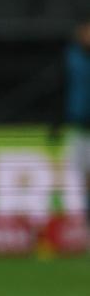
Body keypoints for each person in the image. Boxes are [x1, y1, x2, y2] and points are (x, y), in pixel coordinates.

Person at [50, 19, 90, 236]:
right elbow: (60, 89)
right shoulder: (69, 58)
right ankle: (82, 224)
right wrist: (56, 122)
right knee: (80, 179)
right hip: (77, 126)